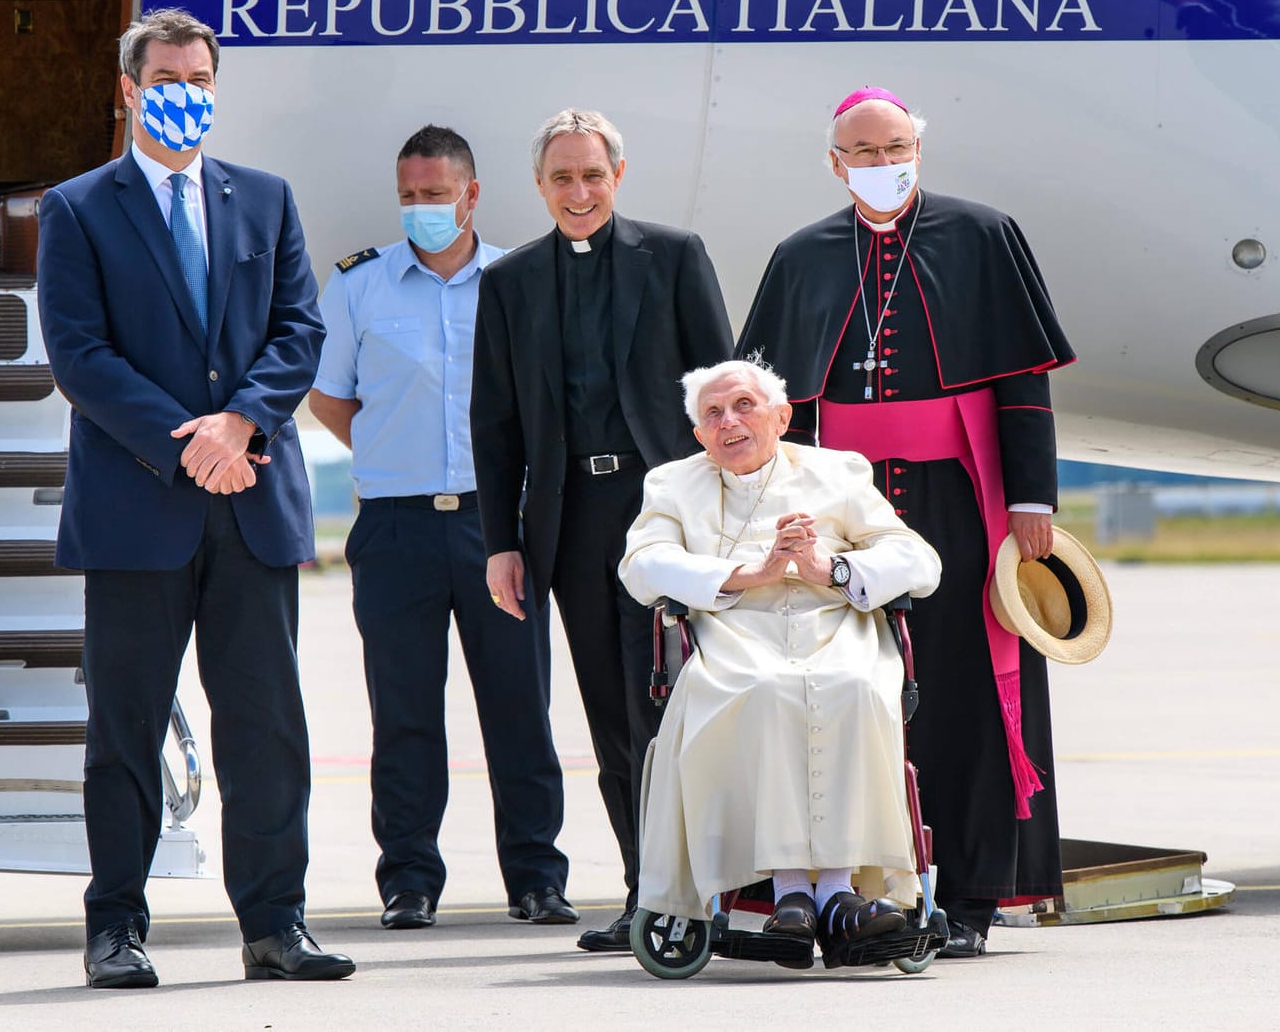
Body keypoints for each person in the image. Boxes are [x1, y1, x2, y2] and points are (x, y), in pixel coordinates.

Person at [37, 8, 352, 988]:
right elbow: (81, 356)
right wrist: (190, 447)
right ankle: (116, 929)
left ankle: (274, 926)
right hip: (140, 504)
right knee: (125, 728)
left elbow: (299, 330)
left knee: (264, 725)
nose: (187, 92)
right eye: (168, 77)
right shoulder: (79, 208)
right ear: (130, 91)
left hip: (252, 500)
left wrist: (240, 425)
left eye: (201, 78)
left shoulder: (263, 198)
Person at [738, 87, 1077, 958]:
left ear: (917, 149)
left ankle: (968, 895)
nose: (882, 164)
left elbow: (1023, 380)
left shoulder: (983, 234)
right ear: (835, 162)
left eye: (895, 148)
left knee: (962, 692)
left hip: (958, 499)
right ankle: (852, 891)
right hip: (844, 510)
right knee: (845, 693)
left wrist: (1033, 503)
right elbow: (778, 407)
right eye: (863, 152)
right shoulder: (803, 254)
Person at [471, 108, 734, 951]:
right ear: (540, 187)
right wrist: (501, 542)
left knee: (680, 705)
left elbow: (724, 394)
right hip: (574, 524)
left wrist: (736, 514)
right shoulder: (507, 284)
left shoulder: (676, 257)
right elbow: (495, 425)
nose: (578, 192)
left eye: (592, 175)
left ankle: (715, 887)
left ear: (617, 176)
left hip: (668, 514)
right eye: (562, 178)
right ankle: (644, 889)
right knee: (612, 717)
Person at [308, 125, 573, 932]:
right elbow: (329, 396)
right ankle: (410, 881)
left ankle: (536, 877)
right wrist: (392, 456)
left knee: (519, 708)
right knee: (405, 711)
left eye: (436, 194)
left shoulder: (520, 279)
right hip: (396, 528)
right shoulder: (359, 285)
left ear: (472, 194)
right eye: (410, 196)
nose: (422, 209)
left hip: (498, 528)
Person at [618, 360, 942, 967]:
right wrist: (750, 574)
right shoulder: (672, 484)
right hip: (735, 637)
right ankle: (794, 893)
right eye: (712, 414)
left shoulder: (837, 471)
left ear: (783, 416)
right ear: (698, 435)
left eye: (744, 405)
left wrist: (833, 570)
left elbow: (920, 560)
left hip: (836, 630)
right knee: (765, 690)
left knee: (852, 687)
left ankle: (837, 892)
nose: (729, 422)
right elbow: (641, 566)